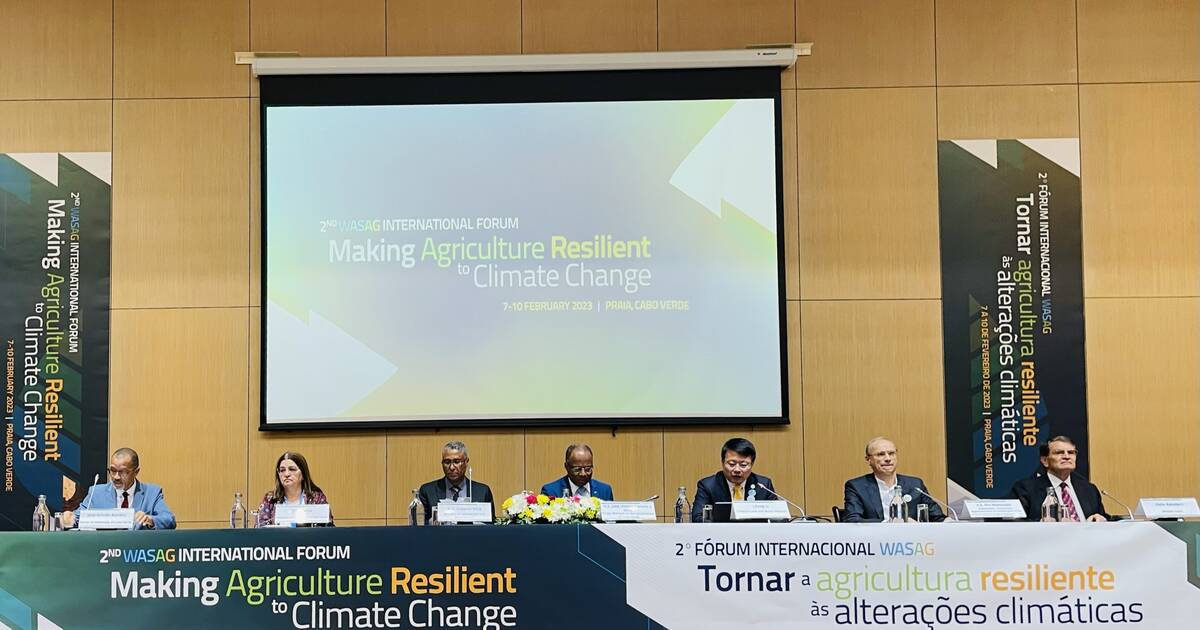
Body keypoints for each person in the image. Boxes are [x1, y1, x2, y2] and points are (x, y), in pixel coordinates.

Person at [62, 447, 176, 530]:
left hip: (137, 551)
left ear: (136, 472)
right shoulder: (96, 493)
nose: (116, 477)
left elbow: (169, 520)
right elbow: (78, 517)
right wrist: (69, 518)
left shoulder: (151, 493)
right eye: (113, 471)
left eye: (123, 472)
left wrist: (150, 520)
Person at [1008, 435, 1109, 522]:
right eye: (1059, 452)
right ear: (1045, 460)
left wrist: (1101, 519)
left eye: (1071, 452)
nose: (1067, 456)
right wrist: (1041, 523)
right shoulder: (1026, 489)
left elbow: (1104, 518)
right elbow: (1015, 523)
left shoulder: (1089, 490)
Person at [842, 437, 945, 522]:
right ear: (868, 460)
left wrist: (949, 522)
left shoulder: (915, 484)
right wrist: (888, 523)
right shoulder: (857, 486)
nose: (888, 459)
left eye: (891, 453)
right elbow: (853, 520)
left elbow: (937, 516)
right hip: (877, 539)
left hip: (912, 539)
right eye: (881, 454)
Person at [691, 437, 775, 522]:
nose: (737, 470)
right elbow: (698, 518)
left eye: (743, 465)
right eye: (732, 464)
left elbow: (777, 518)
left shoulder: (763, 485)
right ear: (722, 462)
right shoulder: (708, 486)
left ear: (752, 464)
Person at [418, 441, 494, 524]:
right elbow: (419, 525)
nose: (451, 467)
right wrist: (433, 520)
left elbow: (491, 525)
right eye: (447, 462)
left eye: (457, 462)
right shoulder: (427, 491)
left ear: (466, 462)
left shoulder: (482, 492)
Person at [256, 451, 334, 527]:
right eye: (282, 470)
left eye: (292, 469)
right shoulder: (270, 499)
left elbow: (329, 529)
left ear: (303, 474)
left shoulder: (316, 498)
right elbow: (259, 529)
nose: (286, 474)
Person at [540, 444, 614, 500]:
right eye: (577, 469)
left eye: (587, 469)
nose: (583, 474)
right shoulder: (551, 491)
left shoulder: (605, 491)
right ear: (566, 467)